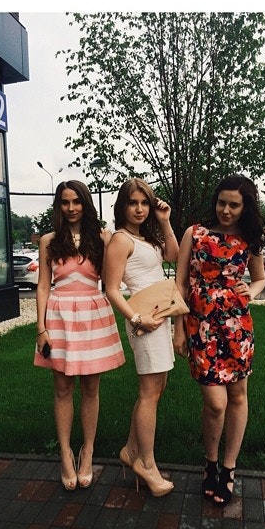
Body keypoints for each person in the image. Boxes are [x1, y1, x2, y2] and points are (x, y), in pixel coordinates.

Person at [173, 174, 265, 506]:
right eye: (222, 202)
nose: (226, 210)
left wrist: (250, 291)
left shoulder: (250, 239)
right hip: (201, 327)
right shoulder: (195, 233)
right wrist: (178, 328)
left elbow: (260, 279)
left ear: (245, 207)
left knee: (238, 396)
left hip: (237, 328)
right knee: (215, 403)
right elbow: (180, 284)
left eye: (234, 205)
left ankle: (228, 468)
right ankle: (210, 461)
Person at [34, 180, 125, 491]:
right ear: (58, 206)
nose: (71, 208)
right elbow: (43, 286)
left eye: (76, 201)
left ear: (86, 204)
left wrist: (109, 245)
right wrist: (41, 328)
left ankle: (88, 451)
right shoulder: (48, 241)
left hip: (92, 315)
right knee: (62, 388)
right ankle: (65, 454)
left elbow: (112, 281)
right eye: (65, 202)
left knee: (90, 387)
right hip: (58, 316)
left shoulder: (101, 238)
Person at [104, 178, 180, 497]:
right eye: (133, 203)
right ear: (122, 206)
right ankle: (146, 464)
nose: (139, 209)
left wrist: (165, 221)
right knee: (149, 392)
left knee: (157, 388)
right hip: (142, 319)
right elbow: (111, 289)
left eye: (144, 203)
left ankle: (131, 450)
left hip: (158, 316)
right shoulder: (120, 240)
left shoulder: (146, 237)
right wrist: (137, 319)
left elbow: (174, 255)